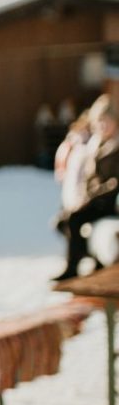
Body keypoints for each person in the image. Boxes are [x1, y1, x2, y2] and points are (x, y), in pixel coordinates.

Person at [54, 94, 119, 281]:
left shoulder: (116, 147)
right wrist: (82, 195)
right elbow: (90, 177)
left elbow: (114, 183)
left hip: (108, 201)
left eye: (106, 122)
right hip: (95, 198)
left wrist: (91, 198)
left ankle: (73, 266)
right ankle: (89, 260)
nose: (102, 127)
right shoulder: (97, 144)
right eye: (99, 122)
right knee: (63, 220)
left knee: (74, 219)